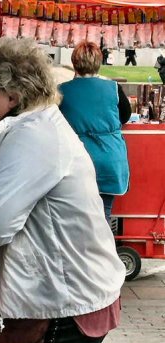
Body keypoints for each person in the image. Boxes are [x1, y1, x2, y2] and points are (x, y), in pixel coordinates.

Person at [0, 37, 126, 343]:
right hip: (70, 295)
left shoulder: (32, 136)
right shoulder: (27, 126)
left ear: (12, 95)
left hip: (67, 302)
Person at [59, 41, 131, 222]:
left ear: (74, 62)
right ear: (99, 62)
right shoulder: (114, 88)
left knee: (75, 219)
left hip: (75, 162)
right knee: (103, 216)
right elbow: (125, 115)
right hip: (109, 160)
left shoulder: (61, 91)